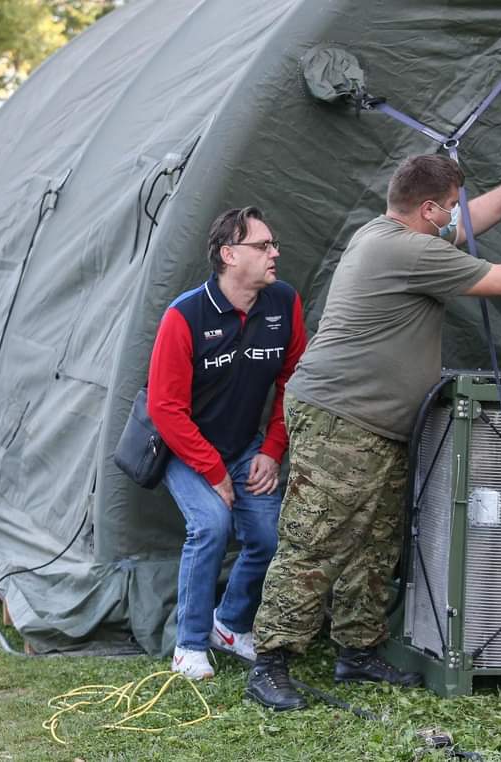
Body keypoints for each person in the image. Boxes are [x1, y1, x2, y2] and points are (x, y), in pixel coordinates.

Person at [245, 137, 501, 710]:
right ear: (429, 209)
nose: (458, 213)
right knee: (315, 539)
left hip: (375, 421)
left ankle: (357, 654)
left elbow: (471, 220)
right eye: (451, 204)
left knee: (374, 543)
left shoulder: (395, 233)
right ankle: (271, 662)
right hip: (341, 417)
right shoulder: (408, 252)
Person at [148, 206, 307, 680]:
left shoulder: (284, 303)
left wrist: (272, 449)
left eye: (273, 244)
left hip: (246, 447)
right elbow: (165, 409)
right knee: (212, 525)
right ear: (229, 255)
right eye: (263, 246)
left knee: (267, 534)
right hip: (184, 447)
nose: (275, 253)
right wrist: (213, 472)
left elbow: (291, 382)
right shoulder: (185, 315)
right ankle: (189, 645)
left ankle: (230, 624)